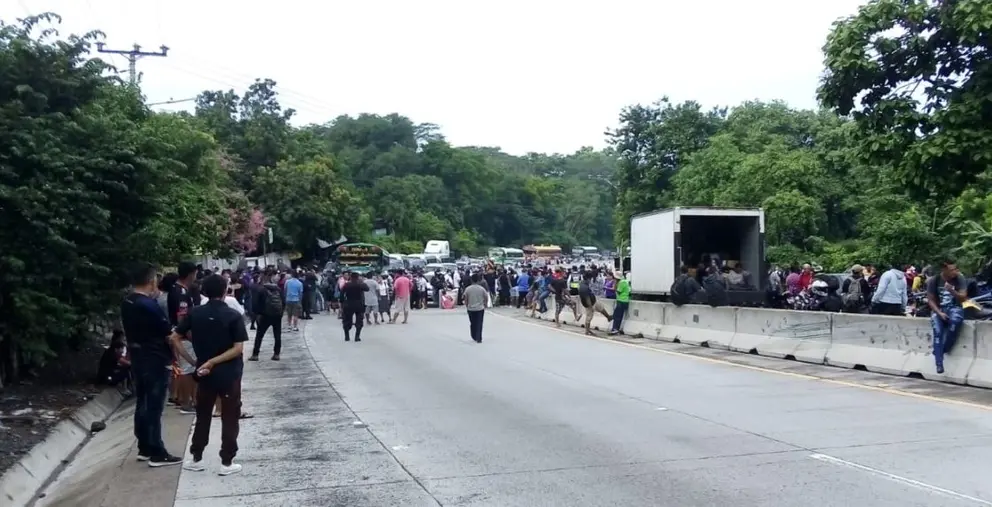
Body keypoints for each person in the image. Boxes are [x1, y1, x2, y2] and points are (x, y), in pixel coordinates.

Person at [170, 274, 246, 476]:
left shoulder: (195, 314)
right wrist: (215, 361)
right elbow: (237, 348)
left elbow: (175, 337)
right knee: (230, 416)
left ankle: (197, 457)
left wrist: (194, 361)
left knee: (203, 414)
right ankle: (227, 462)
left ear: (204, 291)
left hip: (203, 373)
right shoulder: (233, 316)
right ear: (225, 290)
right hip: (229, 373)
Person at [120, 263, 182, 467]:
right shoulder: (148, 305)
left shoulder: (128, 302)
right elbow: (168, 333)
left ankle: (144, 446)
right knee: (154, 406)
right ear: (151, 280)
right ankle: (157, 451)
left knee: (143, 402)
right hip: (155, 358)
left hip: (139, 357)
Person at [927, 259, 968, 374]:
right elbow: (930, 300)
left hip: (955, 308)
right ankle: (939, 363)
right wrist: (939, 313)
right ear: (944, 270)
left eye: (956, 269)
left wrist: (952, 291)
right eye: (951, 270)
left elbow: (963, 298)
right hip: (939, 309)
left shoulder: (959, 278)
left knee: (955, 322)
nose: (955, 272)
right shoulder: (934, 280)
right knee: (938, 332)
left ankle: (943, 349)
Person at [249, 272, 284, 362]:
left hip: (264, 315)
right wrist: (281, 313)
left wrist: (257, 314)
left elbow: (255, 304)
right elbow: (283, 301)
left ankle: (255, 354)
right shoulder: (278, 289)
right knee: (277, 335)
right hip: (277, 315)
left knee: (259, 335)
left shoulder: (261, 290)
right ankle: (276, 354)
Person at [340, 272, 369, 341]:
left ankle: (347, 336)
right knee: (359, 321)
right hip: (359, 304)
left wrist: (342, 302)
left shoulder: (347, 285)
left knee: (347, 320)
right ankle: (357, 336)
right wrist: (362, 282)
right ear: (358, 277)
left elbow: (341, 294)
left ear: (351, 277)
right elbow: (367, 289)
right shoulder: (360, 284)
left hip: (348, 304)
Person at [464, 273, 489, 343]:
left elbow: (466, 298)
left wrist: (467, 305)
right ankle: (479, 338)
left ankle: (474, 335)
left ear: (471, 280)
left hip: (470, 309)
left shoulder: (467, 289)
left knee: (473, 323)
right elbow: (486, 297)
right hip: (480, 309)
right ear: (478, 280)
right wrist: (485, 304)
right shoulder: (482, 289)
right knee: (479, 323)